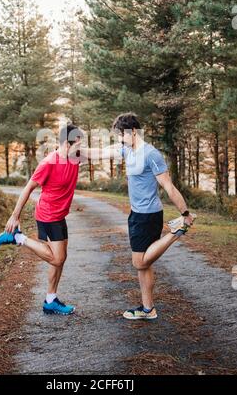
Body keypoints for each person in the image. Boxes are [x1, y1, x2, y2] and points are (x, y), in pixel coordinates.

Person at [78, 112, 195, 321]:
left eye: (121, 135)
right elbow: (99, 153)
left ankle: (175, 232)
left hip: (148, 215)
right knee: (144, 265)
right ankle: (148, 309)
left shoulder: (151, 154)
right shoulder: (127, 149)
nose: (119, 140)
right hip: (136, 214)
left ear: (132, 132)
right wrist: (72, 149)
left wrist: (184, 213)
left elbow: (168, 186)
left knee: (139, 262)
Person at [0, 124, 84, 316]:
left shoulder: (75, 158)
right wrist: (14, 216)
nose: (81, 148)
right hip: (48, 215)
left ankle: (51, 300)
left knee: (60, 260)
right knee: (57, 258)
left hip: (59, 215)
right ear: (67, 144)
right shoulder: (49, 163)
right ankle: (18, 238)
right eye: (78, 144)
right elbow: (28, 188)